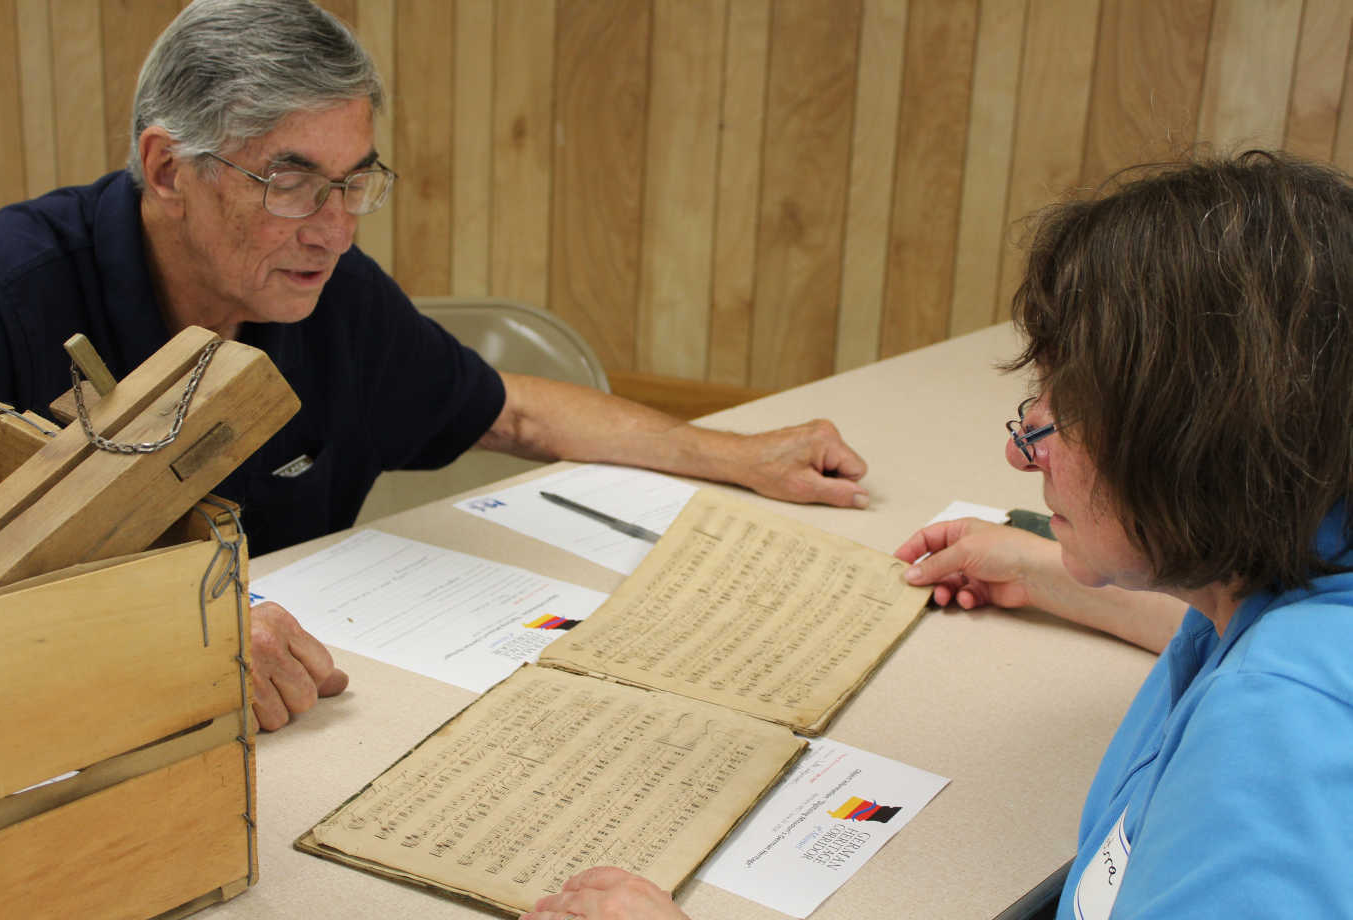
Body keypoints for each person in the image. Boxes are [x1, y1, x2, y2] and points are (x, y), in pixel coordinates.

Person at [0, 0, 869, 732]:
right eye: (289, 183)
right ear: (168, 169)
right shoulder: (3, 298)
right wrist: (168, 634)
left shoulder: (331, 297)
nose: (334, 227)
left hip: (307, 721)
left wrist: (737, 454)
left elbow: (513, 412)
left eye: (355, 180)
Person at [524, 150, 1353, 919]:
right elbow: (1236, 632)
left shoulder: (1274, 739)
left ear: (1185, 443)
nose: (1019, 454)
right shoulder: (1294, 572)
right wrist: (1045, 572)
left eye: (1055, 420)